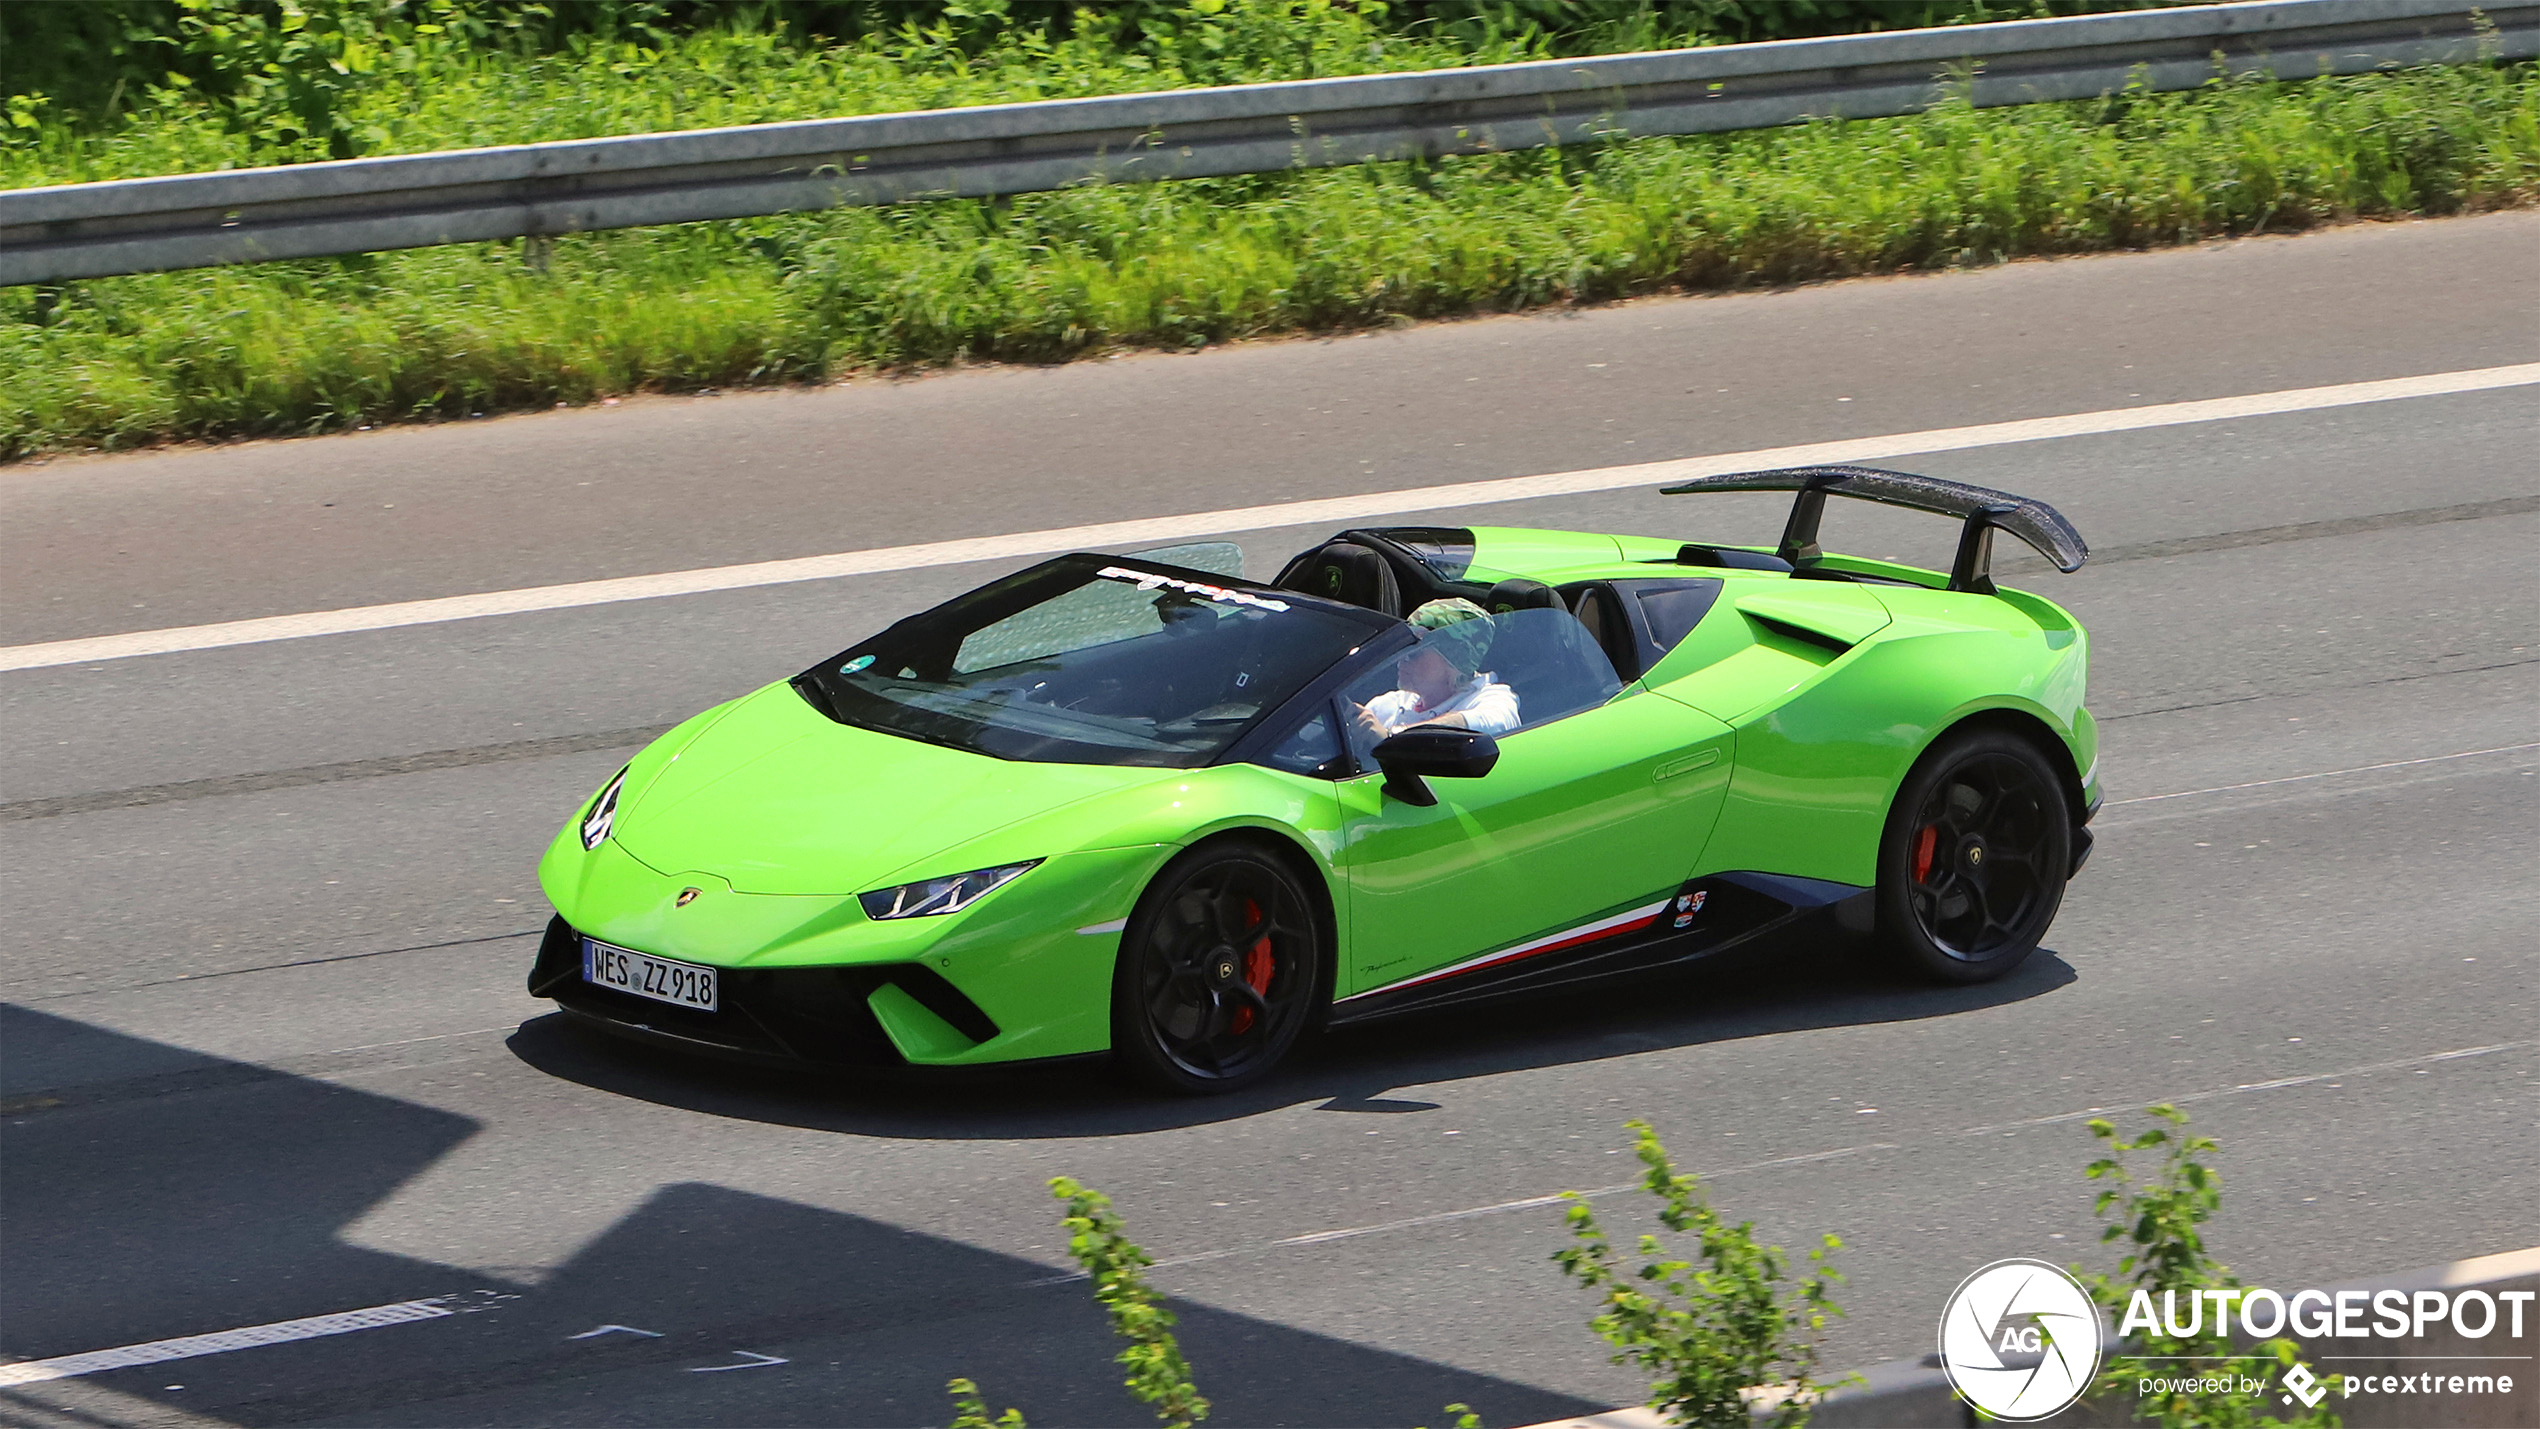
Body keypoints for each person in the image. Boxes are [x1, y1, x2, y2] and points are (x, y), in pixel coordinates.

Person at [1352, 598, 1521, 738]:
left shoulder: (1494, 698)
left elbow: (1494, 723)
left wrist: (1393, 737)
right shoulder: (1391, 704)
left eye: (1414, 651)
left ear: (1453, 660)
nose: (1402, 657)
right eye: (1402, 648)